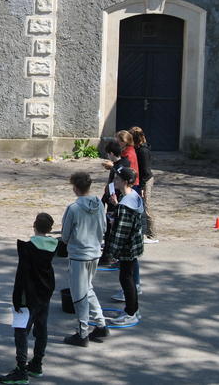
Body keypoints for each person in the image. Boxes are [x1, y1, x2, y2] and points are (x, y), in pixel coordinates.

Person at [0, 213, 58, 385]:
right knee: (41, 329)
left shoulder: (28, 248)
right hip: (44, 295)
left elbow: (21, 275)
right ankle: (37, 363)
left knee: (21, 331)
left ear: (34, 225)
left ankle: (21, 369)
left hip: (28, 295)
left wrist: (16, 298)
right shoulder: (53, 246)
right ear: (50, 229)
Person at [61, 172, 109, 347]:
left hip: (79, 255)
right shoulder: (99, 204)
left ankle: (82, 332)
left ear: (75, 187)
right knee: (88, 289)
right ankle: (101, 323)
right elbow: (104, 227)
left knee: (79, 295)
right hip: (95, 252)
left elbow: (65, 234)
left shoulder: (73, 208)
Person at [104, 167, 144, 326]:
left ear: (125, 182)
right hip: (135, 246)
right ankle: (133, 309)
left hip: (127, 248)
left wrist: (112, 252)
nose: (115, 181)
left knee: (126, 280)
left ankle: (131, 312)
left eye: (117, 179)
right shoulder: (133, 196)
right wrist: (117, 206)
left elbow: (122, 232)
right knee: (130, 279)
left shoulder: (125, 204)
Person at [130, 126, 157, 242]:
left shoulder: (143, 151)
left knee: (146, 207)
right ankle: (141, 232)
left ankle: (152, 235)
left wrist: (141, 187)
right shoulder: (138, 148)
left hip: (146, 180)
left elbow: (145, 172)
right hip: (141, 180)